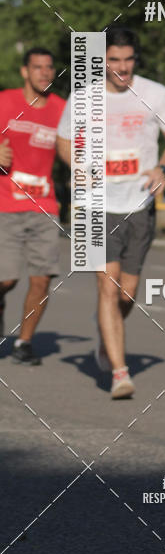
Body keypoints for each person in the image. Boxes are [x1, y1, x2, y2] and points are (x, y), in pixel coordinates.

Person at [57, 27, 165, 399]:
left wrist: (161, 168)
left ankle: (105, 330)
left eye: (128, 60)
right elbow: (64, 140)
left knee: (126, 295)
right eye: (114, 60)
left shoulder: (156, 93)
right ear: (102, 61)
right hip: (95, 205)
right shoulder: (83, 98)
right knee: (107, 286)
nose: (123, 68)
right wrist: (76, 164)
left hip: (139, 205)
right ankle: (119, 373)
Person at [0, 48, 66, 364]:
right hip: (5, 203)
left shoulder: (62, 110)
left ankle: (24, 344)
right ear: (25, 71)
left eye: (49, 67)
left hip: (44, 205)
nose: (44, 73)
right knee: (6, 280)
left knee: (42, 278)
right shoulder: (5, 102)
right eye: (37, 67)